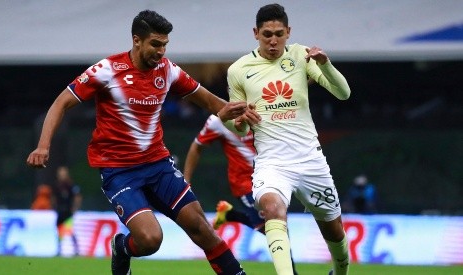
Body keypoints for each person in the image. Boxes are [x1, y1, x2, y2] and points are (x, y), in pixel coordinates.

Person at [26, 9, 259, 275]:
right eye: (155, 44)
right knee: (150, 240)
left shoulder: (168, 70)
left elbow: (209, 101)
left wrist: (232, 109)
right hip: (120, 173)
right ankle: (122, 246)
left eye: (165, 45)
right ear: (137, 40)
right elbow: (61, 103)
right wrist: (43, 146)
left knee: (202, 229)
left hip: (158, 166)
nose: (161, 51)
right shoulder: (106, 70)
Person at [227, 4, 351, 275]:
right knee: (272, 208)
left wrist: (325, 64)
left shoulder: (301, 56)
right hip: (272, 162)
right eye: (267, 34)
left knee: (334, 232)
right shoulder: (238, 70)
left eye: (279, 34)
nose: (273, 40)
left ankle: (341, 272)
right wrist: (238, 121)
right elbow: (237, 128)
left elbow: (343, 94)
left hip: (310, 159)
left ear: (288, 32)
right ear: (255, 33)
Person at [184, 114, 299, 275]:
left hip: (269, 178)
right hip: (246, 184)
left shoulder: (263, 110)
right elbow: (197, 146)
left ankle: (231, 215)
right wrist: (186, 181)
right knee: (277, 227)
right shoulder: (218, 121)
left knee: (276, 228)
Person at [53, 166, 82, 256]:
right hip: (60, 211)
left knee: (69, 230)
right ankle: (59, 249)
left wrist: (75, 208)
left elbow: (77, 197)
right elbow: (53, 198)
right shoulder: (56, 186)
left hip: (68, 212)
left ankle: (76, 249)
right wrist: (54, 207)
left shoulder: (71, 185)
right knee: (59, 231)